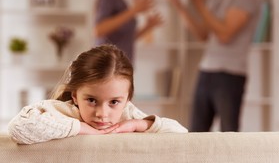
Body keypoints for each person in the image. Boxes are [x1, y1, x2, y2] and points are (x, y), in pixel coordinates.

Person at [162, 0, 260, 132]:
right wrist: (179, 5)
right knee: (196, 132)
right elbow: (202, 34)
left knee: (228, 133)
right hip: (206, 71)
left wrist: (199, 4)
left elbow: (225, 35)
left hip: (230, 74)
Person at [8, 44, 188, 144]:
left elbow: (182, 133)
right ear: (74, 96)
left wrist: (138, 124)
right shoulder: (61, 111)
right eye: (92, 100)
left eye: (114, 102)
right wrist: (81, 128)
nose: (102, 114)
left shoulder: (127, 115)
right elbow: (18, 128)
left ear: (127, 100)